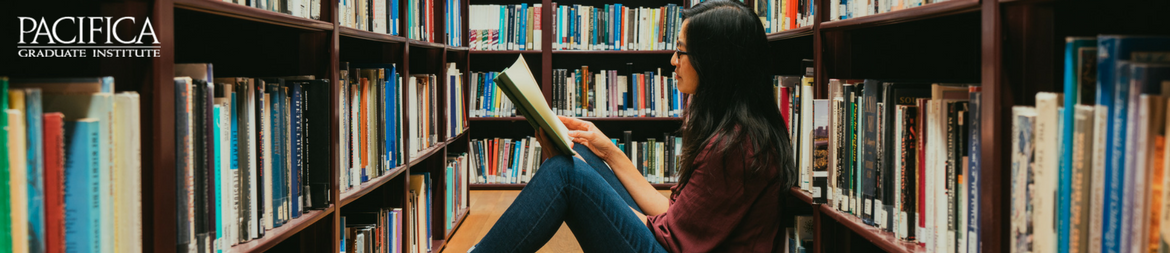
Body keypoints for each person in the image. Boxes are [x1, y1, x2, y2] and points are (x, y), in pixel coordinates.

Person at [469, 0, 795, 252]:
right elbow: (673, 215)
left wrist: (592, 192)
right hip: (677, 242)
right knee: (582, 155)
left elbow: (671, 237)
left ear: (716, 62)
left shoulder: (736, 147)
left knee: (565, 174)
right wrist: (607, 151)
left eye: (681, 51)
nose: (672, 60)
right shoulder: (740, 129)